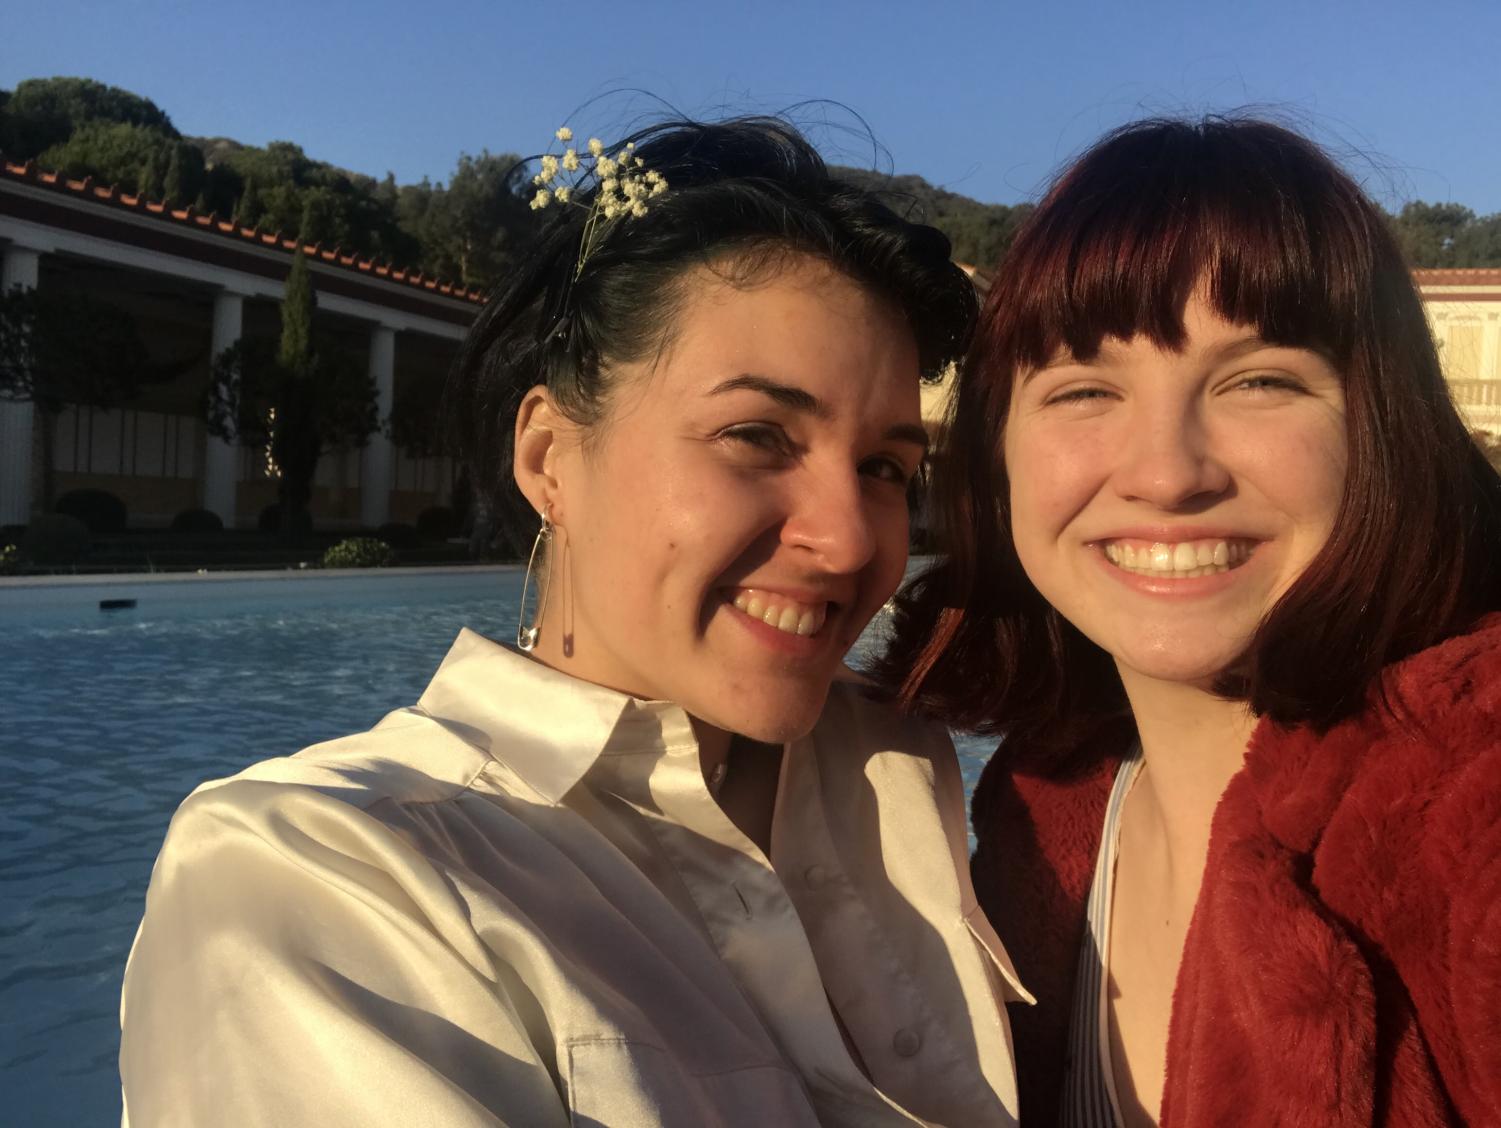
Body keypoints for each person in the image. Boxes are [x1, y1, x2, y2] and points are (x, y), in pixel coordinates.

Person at [119, 118, 1029, 1127]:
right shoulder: (320, 875)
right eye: (757, 436)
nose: (853, 540)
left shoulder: (900, 762)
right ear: (551, 455)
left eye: (884, 469)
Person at [878, 118, 1501, 1126]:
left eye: (1257, 380)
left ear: (1382, 427)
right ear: (999, 464)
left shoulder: (1461, 802)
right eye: (1084, 390)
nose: (1167, 472)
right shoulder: (1030, 819)